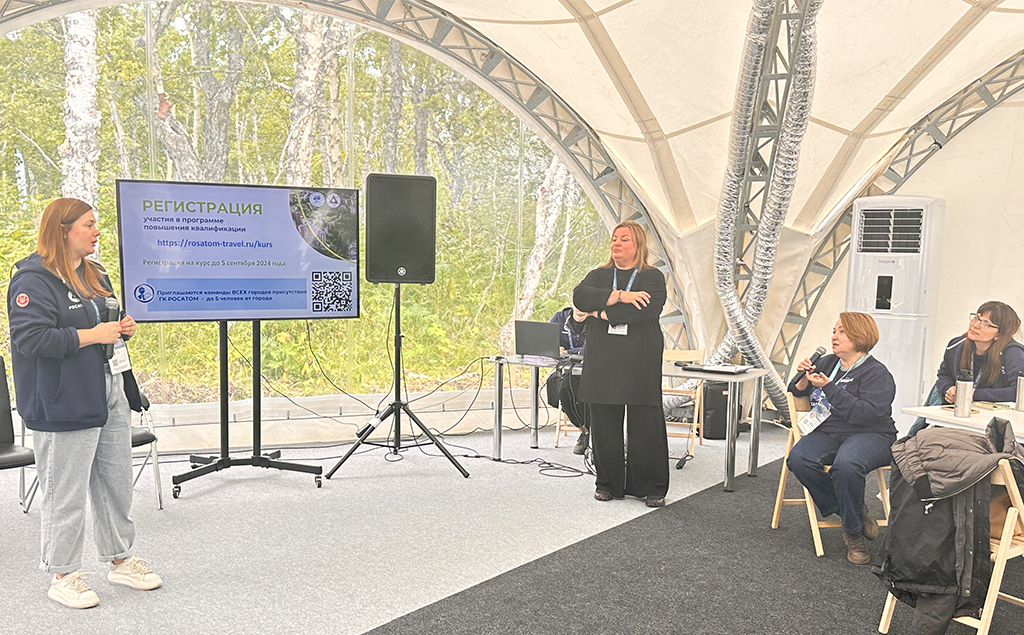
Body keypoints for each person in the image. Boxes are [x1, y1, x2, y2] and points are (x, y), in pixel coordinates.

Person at [7, 198, 162, 609]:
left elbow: (107, 321)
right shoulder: (32, 280)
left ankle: (120, 559)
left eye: (96, 225)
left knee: (115, 483)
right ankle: (63, 575)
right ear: (63, 230)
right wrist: (95, 335)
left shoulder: (95, 273)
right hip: (63, 398)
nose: (97, 232)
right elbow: (32, 339)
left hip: (108, 388)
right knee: (66, 491)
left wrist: (121, 328)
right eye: (88, 225)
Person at [787, 312, 896, 565]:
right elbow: (796, 391)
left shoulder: (877, 374)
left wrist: (829, 387)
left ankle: (852, 533)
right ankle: (854, 513)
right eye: (834, 331)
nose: (834, 336)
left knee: (846, 465)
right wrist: (803, 379)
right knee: (798, 458)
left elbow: (862, 414)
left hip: (872, 433)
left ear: (860, 336)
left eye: (842, 332)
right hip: (829, 431)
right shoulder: (827, 363)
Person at [573, 221, 668, 507]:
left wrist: (599, 313)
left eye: (624, 239)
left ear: (638, 245)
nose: (616, 243)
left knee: (645, 421)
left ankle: (649, 486)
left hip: (640, 356)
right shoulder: (598, 275)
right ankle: (607, 484)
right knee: (604, 421)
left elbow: (645, 310)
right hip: (603, 357)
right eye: (614, 238)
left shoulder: (652, 277)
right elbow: (580, 297)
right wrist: (620, 296)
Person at [545, 303, 588, 454]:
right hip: (566, 369)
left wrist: (568, 351)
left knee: (587, 392)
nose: (581, 306)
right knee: (563, 391)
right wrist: (554, 349)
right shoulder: (559, 318)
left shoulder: (598, 320)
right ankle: (584, 430)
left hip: (591, 369)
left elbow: (593, 347)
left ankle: (591, 432)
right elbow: (547, 342)